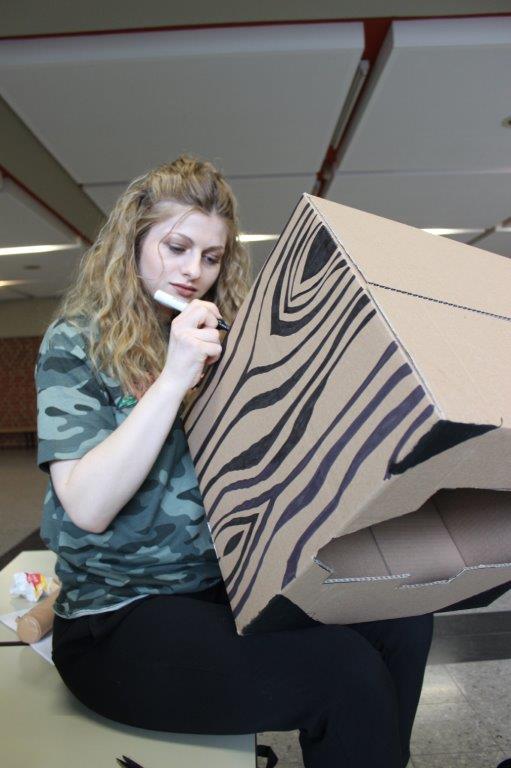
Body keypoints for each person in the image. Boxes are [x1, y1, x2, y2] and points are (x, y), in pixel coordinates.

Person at [35, 155, 433, 768]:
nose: (194, 271)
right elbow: (88, 506)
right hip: (116, 617)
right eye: (176, 247)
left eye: (212, 256)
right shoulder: (77, 341)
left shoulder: (223, 337)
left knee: (403, 620)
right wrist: (174, 377)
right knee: (346, 677)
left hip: (225, 588)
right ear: (133, 241)